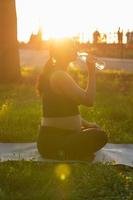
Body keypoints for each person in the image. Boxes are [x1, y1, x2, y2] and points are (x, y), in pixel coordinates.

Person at [36, 39, 107, 161]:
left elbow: (64, 110)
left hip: (59, 138)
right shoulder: (59, 75)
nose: (76, 49)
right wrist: (91, 70)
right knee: (101, 136)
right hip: (53, 141)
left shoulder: (59, 73)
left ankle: (71, 151)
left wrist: (87, 124)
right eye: (72, 46)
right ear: (62, 52)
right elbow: (89, 100)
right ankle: (68, 153)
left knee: (95, 132)